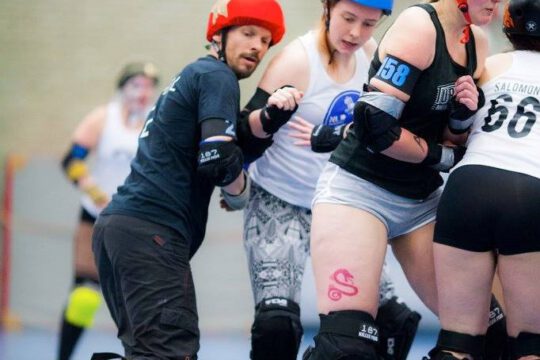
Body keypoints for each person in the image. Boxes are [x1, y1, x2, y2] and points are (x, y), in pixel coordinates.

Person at [89, 1, 301, 359]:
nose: (257, 47)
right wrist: (240, 192)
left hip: (120, 231)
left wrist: (270, 118)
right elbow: (217, 157)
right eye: (248, 34)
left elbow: (233, 144)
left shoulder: (195, 77)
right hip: (152, 233)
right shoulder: (218, 77)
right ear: (219, 36)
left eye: (265, 41)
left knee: (146, 351)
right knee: (170, 352)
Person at [302, 0, 506, 359]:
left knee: (492, 335)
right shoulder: (419, 27)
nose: (497, 3)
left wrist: (461, 117)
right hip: (359, 191)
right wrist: (445, 156)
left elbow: (452, 137)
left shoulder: (477, 41)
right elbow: (376, 128)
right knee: (347, 346)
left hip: (421, 200)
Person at [235, 1, 421, 359]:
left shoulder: (373, 57)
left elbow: (388, 127)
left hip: (341, 203)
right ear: (328, 8)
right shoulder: (297, 61)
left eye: (368, 24)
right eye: (348, 19)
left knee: (394, 321)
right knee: (277, 324)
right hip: (280, 200)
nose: (355, 33)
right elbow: (244, 133)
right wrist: (268, 119)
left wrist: (335, 135)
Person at [428, 0, 540, 358]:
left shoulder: (487, 65)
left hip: (467, 187)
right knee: (529, 343)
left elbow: (453, 135)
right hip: (530, 189)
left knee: (457, 340)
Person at [58, 62, 159, 360]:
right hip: (96, 215)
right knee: (84, 298)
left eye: (149, 86)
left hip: (135, 218)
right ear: (123, 87)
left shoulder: (155, 121)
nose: (143, 92)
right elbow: (71, 159)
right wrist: (92, 188)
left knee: (139, 299)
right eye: (137, 84)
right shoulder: (104, 118)